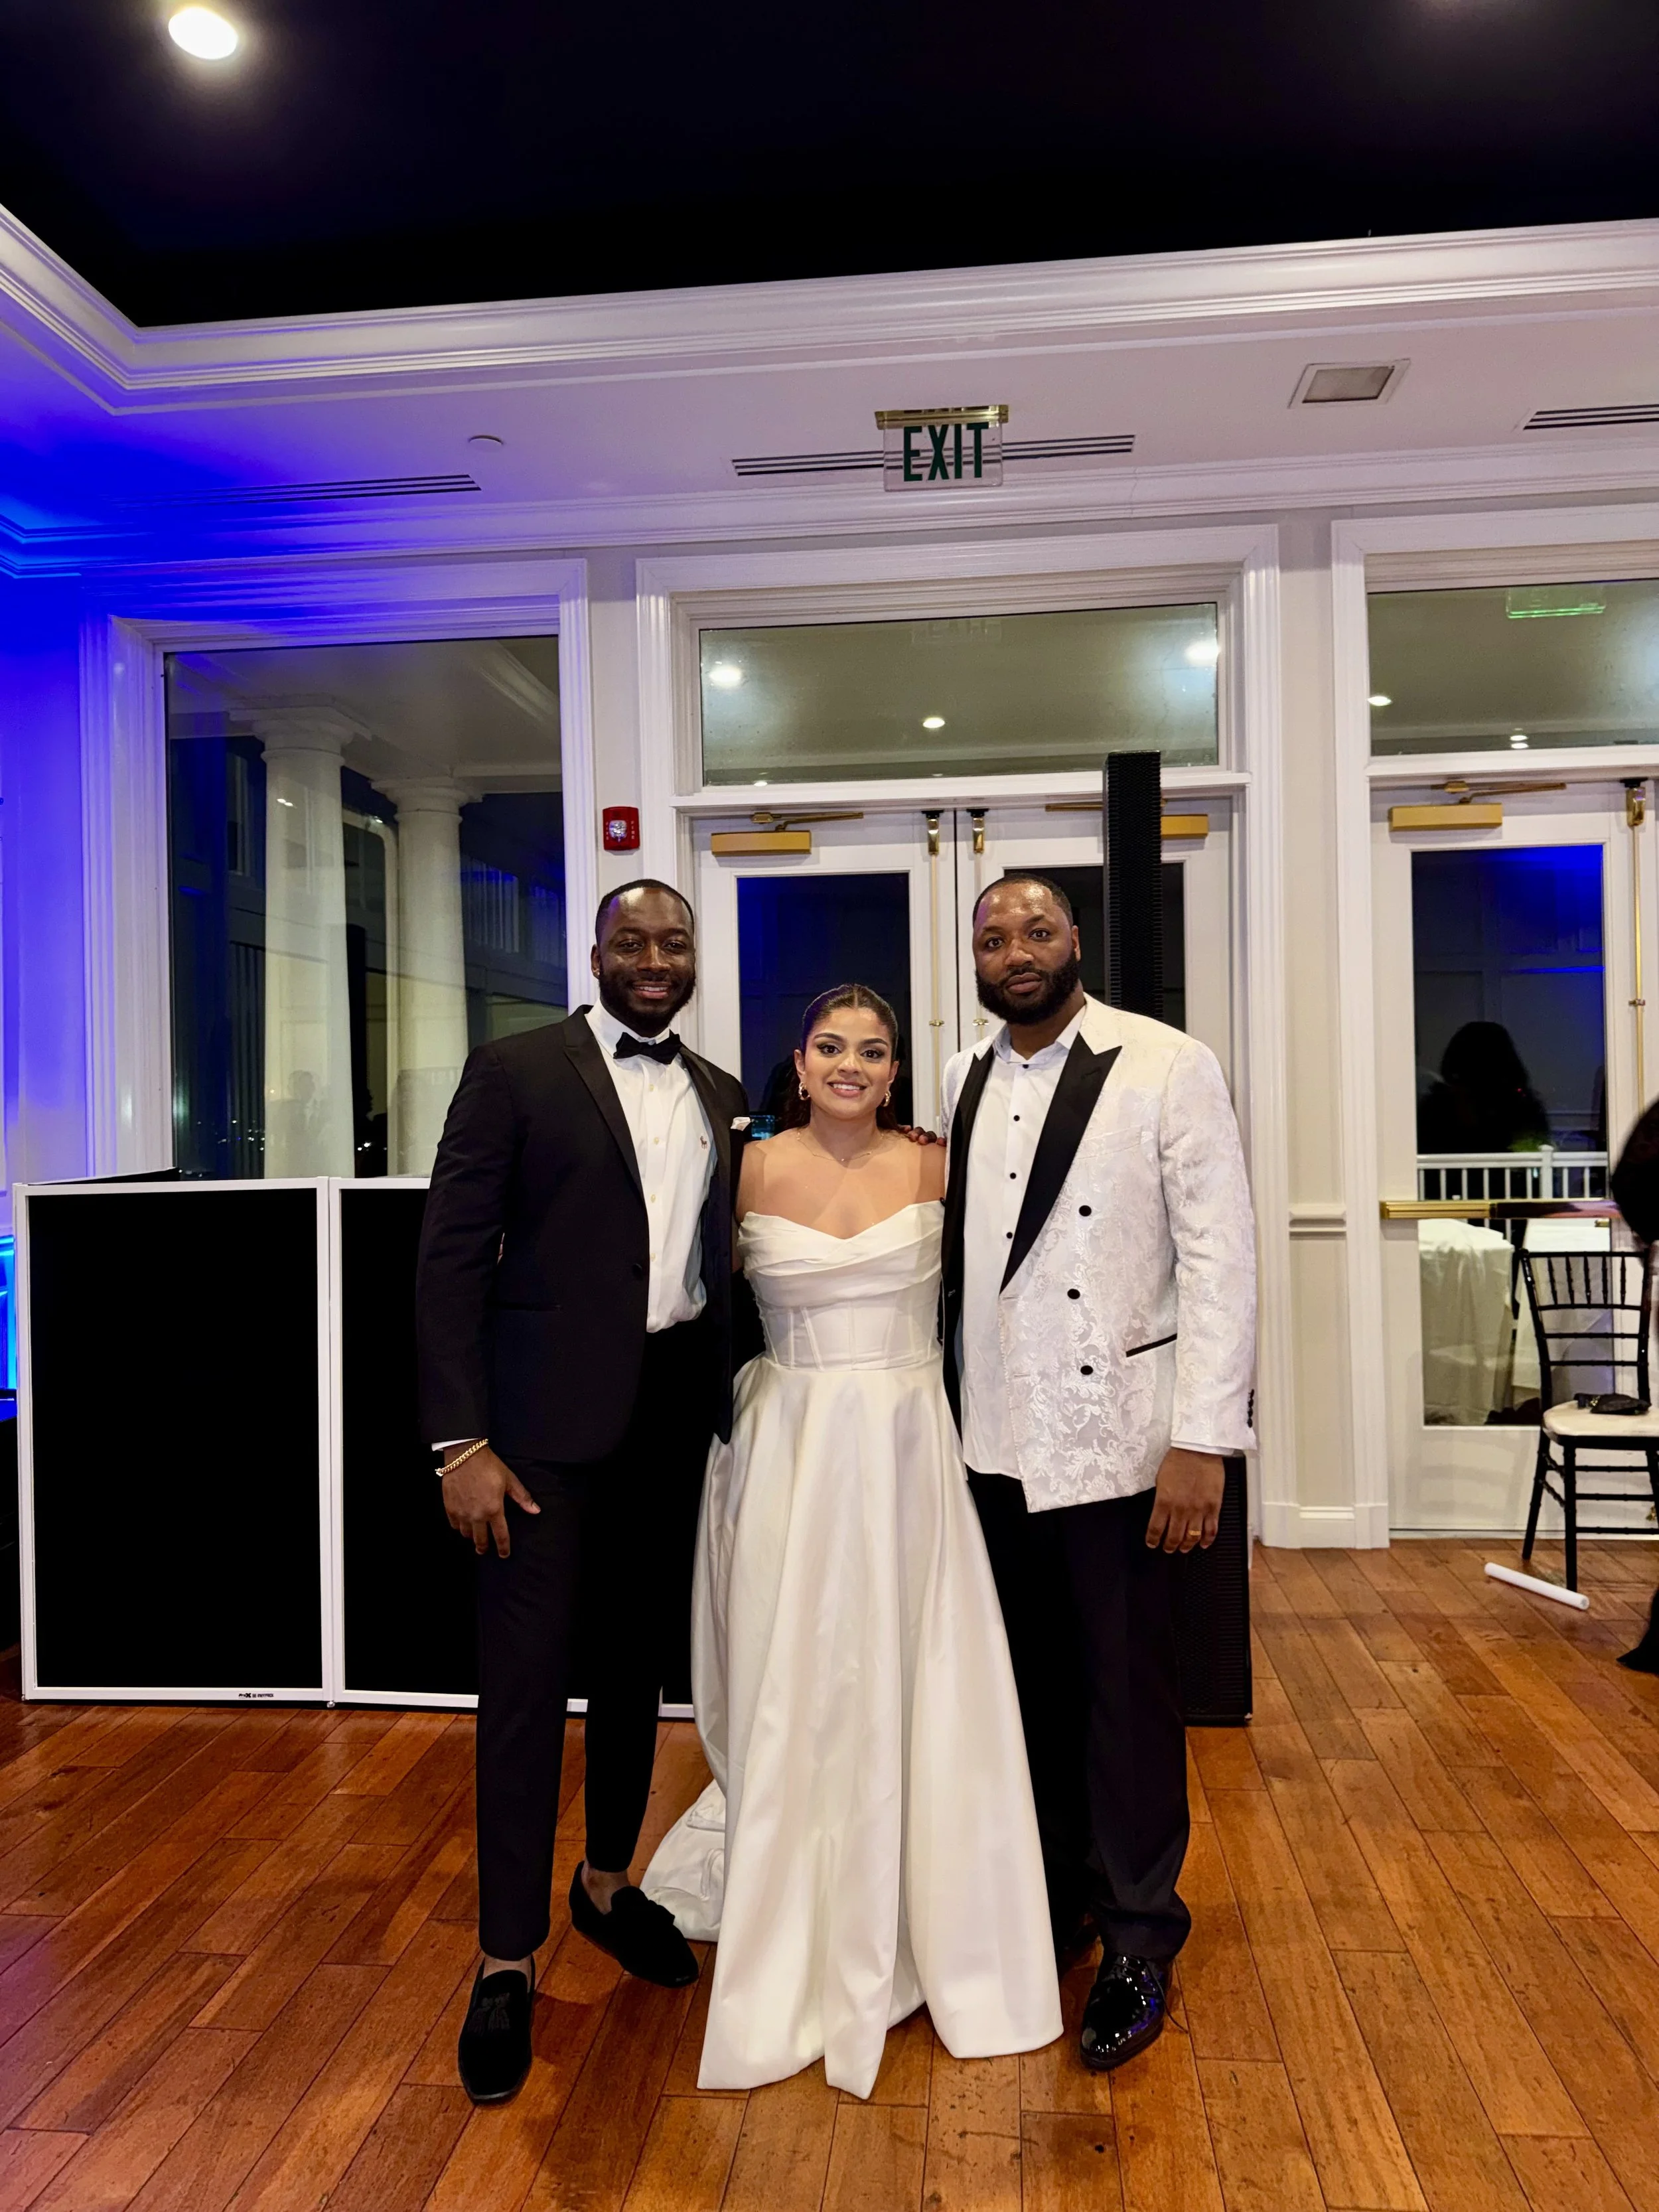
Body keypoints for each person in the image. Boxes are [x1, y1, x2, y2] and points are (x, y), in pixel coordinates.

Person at [644, 984, 1061, 2099]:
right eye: (832, 1045)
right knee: (797, 1672)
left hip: (906, 1450)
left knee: (913, 1670)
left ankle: (929, 1902)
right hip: (785, 1451)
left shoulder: (935, 1165)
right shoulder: (747, 1169)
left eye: (873, 1052)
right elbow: (688, 1308)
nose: (851, 1065)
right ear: (798, 1056)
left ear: (893, 1072)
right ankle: (800, 1901)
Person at [415, 879, 749, 2106]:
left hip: (668, 1431)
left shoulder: (721, 1096)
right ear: (596, 953)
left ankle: (608, 1886)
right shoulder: (513, 1070)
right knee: (519, 1697)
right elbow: (449, 1259)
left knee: (630, 1677)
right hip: (535, 1449)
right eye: (633, 942)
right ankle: (505, 1960)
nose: (654, 960)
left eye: (674, 943)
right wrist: (460, 1446)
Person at [942, 873, 1256, 2073]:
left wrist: (1203, 1440)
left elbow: (1222, 1260)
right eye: (993, 936)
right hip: (993, 1446)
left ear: (1077, 940)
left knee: (1129, 1702)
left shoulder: (1168, 1062)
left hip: (1125, 1441)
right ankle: (1064, 1898)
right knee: (1033, 1695)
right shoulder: (966, 1076)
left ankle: (1139, 1936)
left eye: (1036, 929)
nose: (1016, 950)